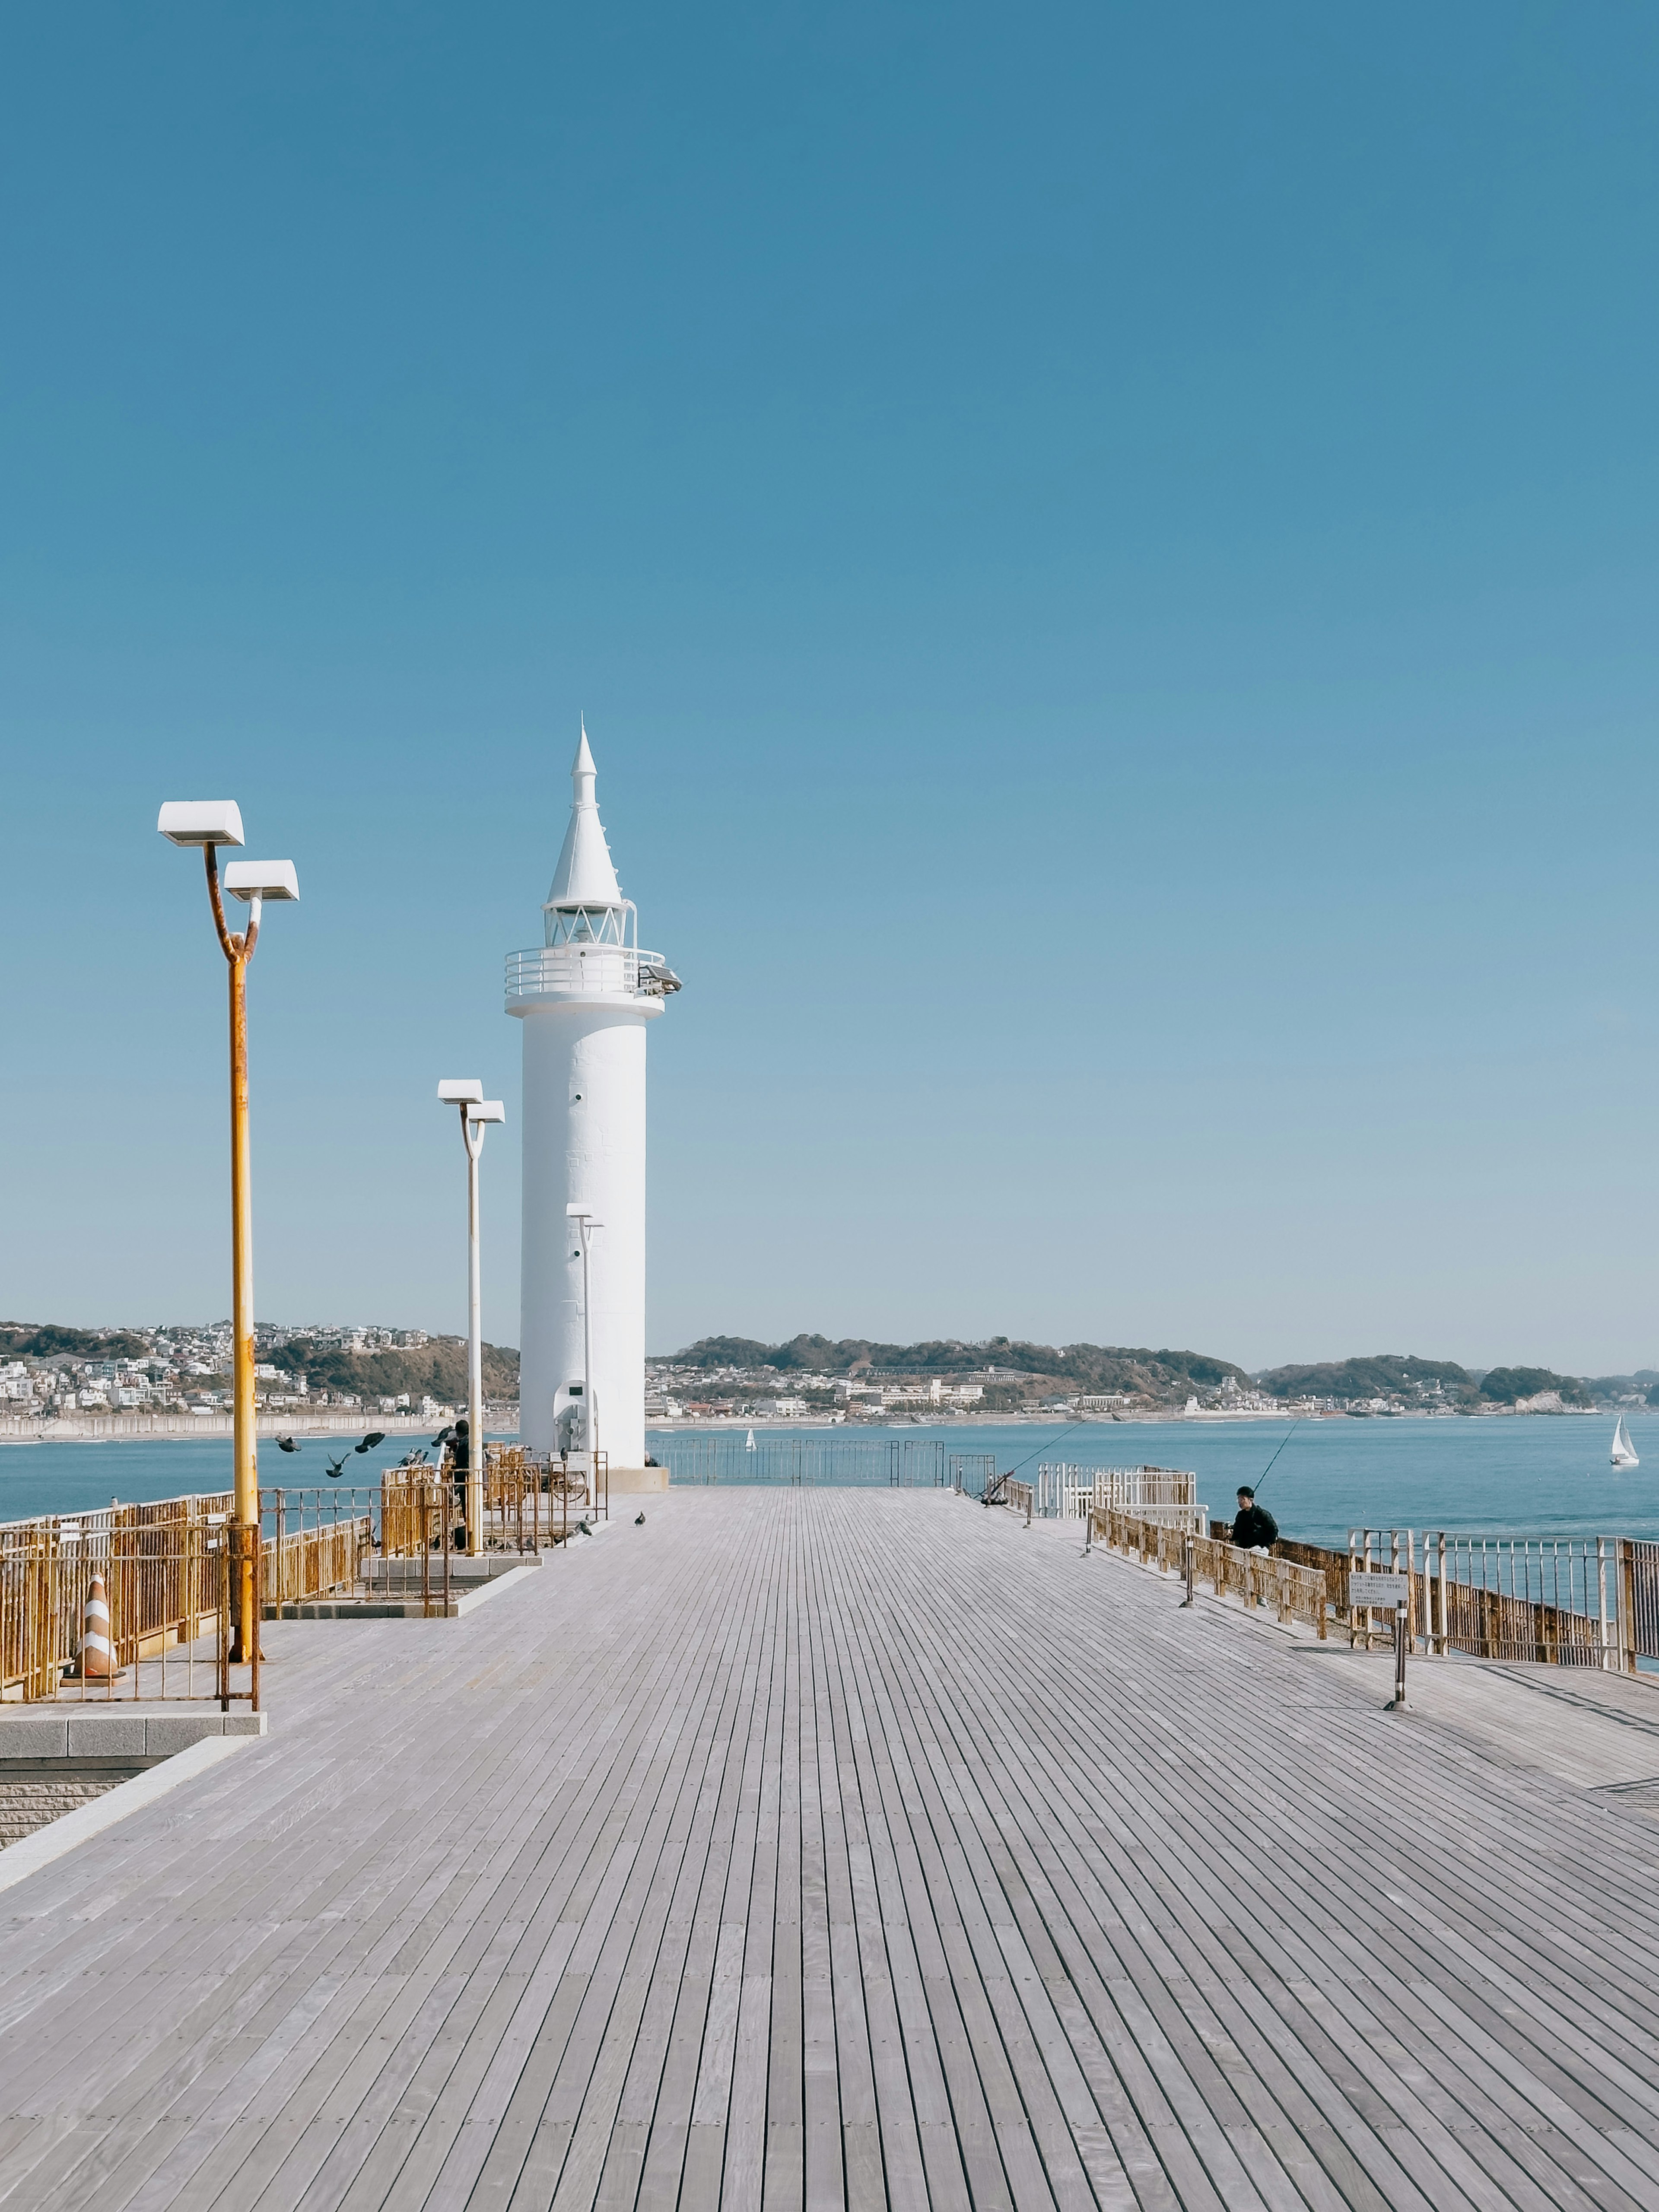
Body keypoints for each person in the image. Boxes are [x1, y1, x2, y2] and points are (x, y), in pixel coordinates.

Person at [1230, 1485, 1278, 1553]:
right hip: (1244, 1548)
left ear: (1251, 1500)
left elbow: (1273, 1529)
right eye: (1239, 1499)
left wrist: (1265, 1543)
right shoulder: (1240, 1515)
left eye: (1243, 1499)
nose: (1240, 1502)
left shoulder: (1262, 1514)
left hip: (1261, 1548)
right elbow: (1237, 1531)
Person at [449, 1416, 470, 1548]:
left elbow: (466, 1462)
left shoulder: (466, 1443)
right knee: (467, 1506)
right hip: (466, 1479)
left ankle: (468, 1534)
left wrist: (456, 1469)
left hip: (466, 1479)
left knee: (467, 1506)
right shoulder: (469, 1441)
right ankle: (469, 1531)